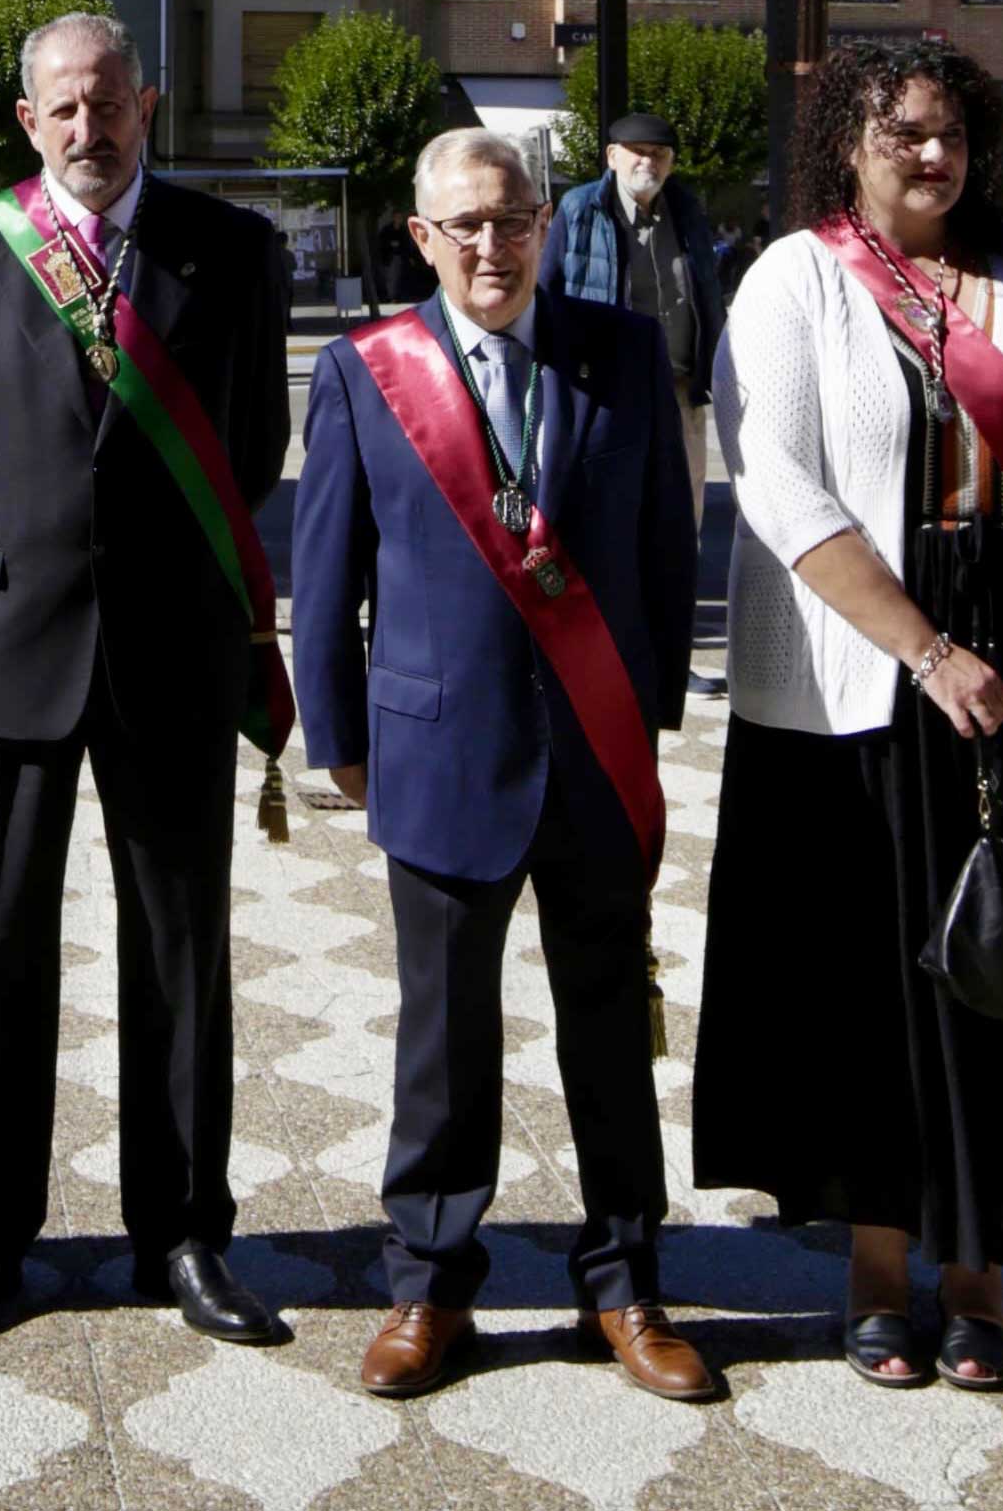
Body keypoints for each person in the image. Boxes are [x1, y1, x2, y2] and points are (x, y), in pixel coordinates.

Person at [698, 37, 1003, 1393]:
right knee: (865, 983)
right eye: (900, 128)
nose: (930, 151)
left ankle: (983, 1273)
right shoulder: (795, 277)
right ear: (846, 138)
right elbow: (778, 489)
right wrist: (923, 651)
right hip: (856, 681)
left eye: (950, 129)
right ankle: (879, 1269)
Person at [0, 10, 294, 1347]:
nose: (88, 126)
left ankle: (181, 1231)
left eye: (108, 101)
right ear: (28, 120)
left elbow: (250, 441)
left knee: (181, 949)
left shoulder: (233, 254)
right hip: (6, 649)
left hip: (172, 647)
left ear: (149, 99)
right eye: (62, 107)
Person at [292, 129, 707, 1404]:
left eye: (512, 218)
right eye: (463, 224)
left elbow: (662, 551)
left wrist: (645, 715)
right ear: (421, 237)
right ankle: (425, 1280)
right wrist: (340, 738)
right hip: (436, 748)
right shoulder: (367, 371)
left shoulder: (623, 352)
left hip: (590, 750)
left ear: (544, 223)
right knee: (443, 1036)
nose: (490, 245)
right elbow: (324, 578)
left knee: (604, 1029)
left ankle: (626, 1279)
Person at [551, 108, 726, 532]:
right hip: (609, 388)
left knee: (684, 511)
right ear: (612, 156)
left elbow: (706, 294)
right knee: (614, 508)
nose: (647, 162)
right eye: (636, 152)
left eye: (658, 153)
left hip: (679, 389)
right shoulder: (580, 210)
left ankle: (678, 595)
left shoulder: (688, 211)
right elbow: (546, 289)